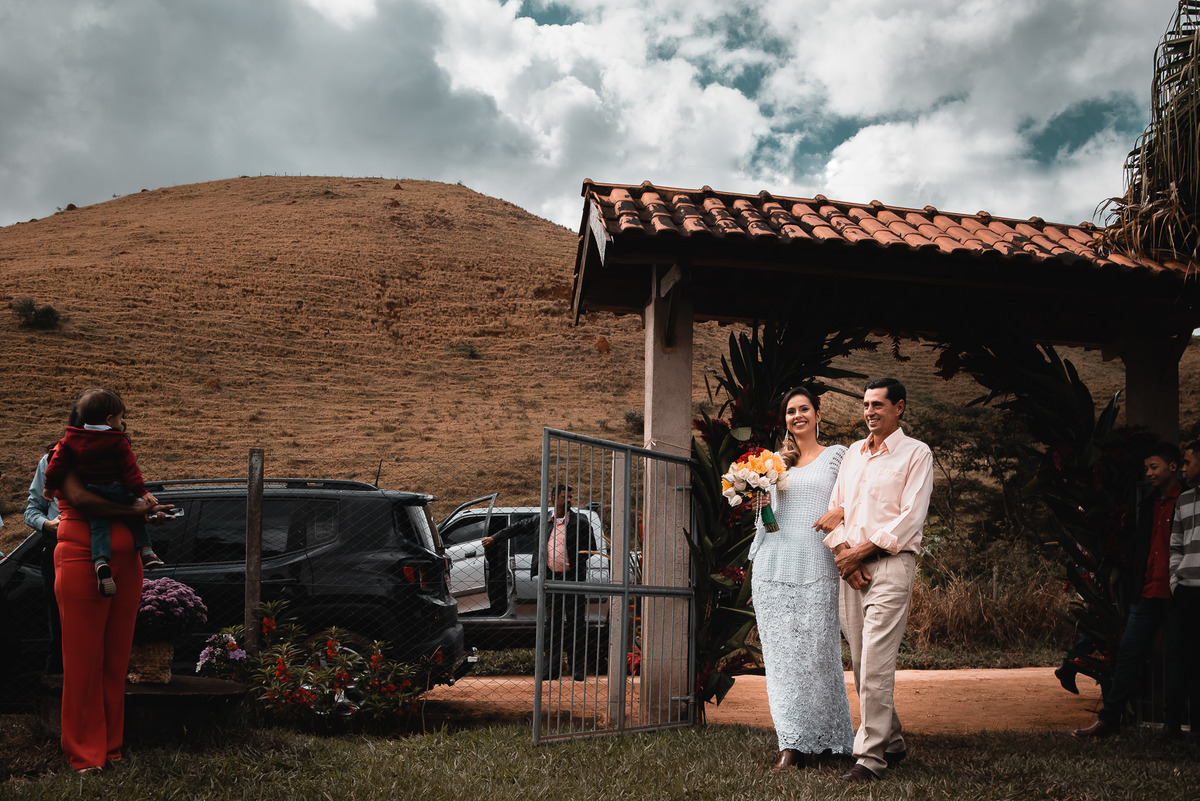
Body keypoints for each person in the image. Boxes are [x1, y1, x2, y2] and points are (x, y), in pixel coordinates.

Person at [815, 378, 934, 782]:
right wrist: (843, 554)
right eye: (866, 404)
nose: (869, 411)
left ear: (899, 407)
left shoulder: (916, 453)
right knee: (863, 660)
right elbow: (835, 508)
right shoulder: (853, 453)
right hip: (851, 568)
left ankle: (870, 758)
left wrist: (860, 552)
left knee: (876, 661)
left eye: (878, 405)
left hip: (890, 564)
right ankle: (893, 740)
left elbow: (910, 517)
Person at [748, 386, 854, 770]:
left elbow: (857, 497)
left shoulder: (837, 456)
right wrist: (760, 501)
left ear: (818, 414)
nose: (798, 416)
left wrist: (842, 511)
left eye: (804, 409)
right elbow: (768, 522)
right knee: (781, 661)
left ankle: (830, 739)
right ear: (786, 419)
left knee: (818, 657)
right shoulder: (776, 463)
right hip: (773, 567)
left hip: (817, 566)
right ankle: (791, 743)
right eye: (791, 411)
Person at [1074, 441, 1183, 738]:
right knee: (1128, 653)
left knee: (1177, 658)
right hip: (1147, 591)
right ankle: (1110, 719)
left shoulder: (1187, 501)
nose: (1148, 473)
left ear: (1173, 467)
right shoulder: (1149, 503)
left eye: (1154, 467)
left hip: (1177, 593)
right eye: (1146, 468)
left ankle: (1173, 726)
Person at [43, 387, 164, 598]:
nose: (123, 421)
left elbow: (55, 472)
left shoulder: (73, 442)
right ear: (108, 419)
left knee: (99, 524)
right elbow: (82, 499)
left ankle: (101, 561)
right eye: (120, 416)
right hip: (80, 555)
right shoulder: (109, 442)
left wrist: (147, 510)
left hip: (126, 561)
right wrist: (137, 505)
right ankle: (147, 550)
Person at [482, 486, 594, 680]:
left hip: (573, 580)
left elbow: (590, 547)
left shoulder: (580, 522)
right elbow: (517, 527)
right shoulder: (542, 521)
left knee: (576, 624)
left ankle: (577, 669)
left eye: (570, 497)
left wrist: (575, 561)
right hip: (551, 580)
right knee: (552, 625)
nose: (568, 500)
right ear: (553, 498)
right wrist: (495, 538)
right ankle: (551, 668)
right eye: (564, 497)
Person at [1167, 440, 1200, 740]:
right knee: (1181, 658)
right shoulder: (1184, 500)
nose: (1184, 468)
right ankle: (1174, 727)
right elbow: (1175, 545)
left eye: (1188, 462)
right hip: (1186, 591)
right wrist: (1175, 582)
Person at [26, 452, 64, 673]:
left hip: (105, 551)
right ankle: (58, 685)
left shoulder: (113, 454)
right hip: (58, 550)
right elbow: (32, 510)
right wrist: (47, 524)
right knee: (59, 630)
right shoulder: (51, 460)